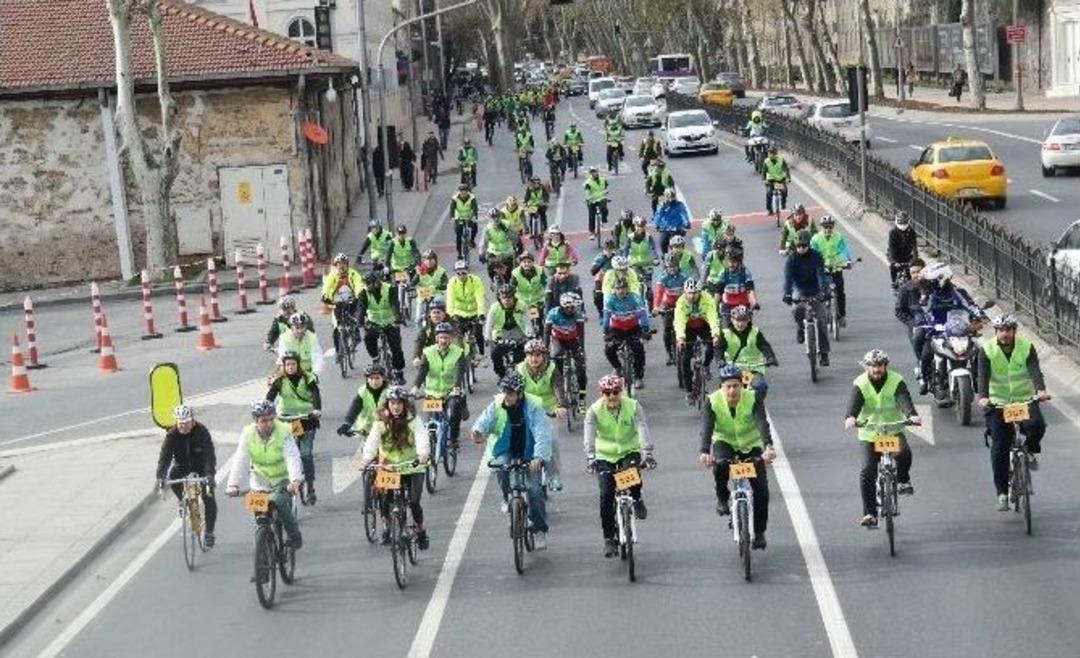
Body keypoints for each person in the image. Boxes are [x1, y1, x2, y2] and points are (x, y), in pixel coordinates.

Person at [976, 315, 1051, 511]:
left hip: (1023, 400)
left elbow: (1035, 370)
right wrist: (983, 396)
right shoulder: (987, 349)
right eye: (1001, 330)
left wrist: (1040, 390)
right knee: (999, 448)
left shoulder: (1026, 347)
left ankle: (1031, 450)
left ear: (1014, 331)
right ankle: (1001, 493)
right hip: (998, 404)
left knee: (1037, 426)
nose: (1005, 333)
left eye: (1008, 330)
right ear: (996, 332)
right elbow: (982, 376)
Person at [472, 373, 552, 550]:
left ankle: (539, 530)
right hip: (506, 448)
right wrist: (477, 432)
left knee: (535, 491)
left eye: (511, 393)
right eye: (505, 392)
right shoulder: (498, 403)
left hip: (530, 451)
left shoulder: (534, 406)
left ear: (520, 393)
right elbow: (484, 420)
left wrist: (538, 457)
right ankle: (507, 496)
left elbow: (542, 432)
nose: (507, 396)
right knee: (501, 467)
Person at [843, 350, 921, 527]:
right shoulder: (860, 383)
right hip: (870, 435)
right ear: (867, 367)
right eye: (873, 366)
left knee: (904, 454)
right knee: (867, 472)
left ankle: (902, 480)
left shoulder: (896, 380)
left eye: (880, 366)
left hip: (892, 430)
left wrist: (912, 415)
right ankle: (870, 513)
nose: (876, 369)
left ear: (886, 366)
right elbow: (854, 403)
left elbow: (904, 399)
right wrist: (850, 417)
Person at [699, 364, 774, 549]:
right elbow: (707, 427)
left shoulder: (753, 398)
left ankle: (759, 532)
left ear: (742, 385)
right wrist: (704, 451)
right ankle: (723, 498)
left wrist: (768, 447)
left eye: (735, 385)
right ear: (721, 387)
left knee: (762, 491)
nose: (732, 390)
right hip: (725, 442)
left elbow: (761, 422)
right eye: (728, 386)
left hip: (750, 444)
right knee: (721, 466)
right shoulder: (713, 400)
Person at [585, 373, 655, 558]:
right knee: (606, 495)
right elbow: (589, 434)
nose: (612, 396)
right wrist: (590, 457)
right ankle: (609, 539)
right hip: (604, 455)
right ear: (602, 394)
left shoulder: (633, 406)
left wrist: (647, 453)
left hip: (628, 450)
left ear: (621, 391)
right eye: (607, 393)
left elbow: (642, 427)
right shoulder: (594, 410)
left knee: (632, 475)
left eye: (615, 392)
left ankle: (637, 498)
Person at [358, 386, 431, 549]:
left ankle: (420, 530)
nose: (395, 406)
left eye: (399, 403)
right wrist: (366, 460)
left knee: (414, 502)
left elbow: (421, 437)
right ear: (387, 404)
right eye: (392, 403)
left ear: (405, 404)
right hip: (390, 467)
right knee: (385, 499)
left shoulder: (413, 420)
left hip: (412, 466)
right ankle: (387, 527)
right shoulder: (380, 422)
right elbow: (372, 441)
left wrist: (423, 454)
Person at [226, 400, 305, 549]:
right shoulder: (247, 434)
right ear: (256, 421)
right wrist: (233, 484)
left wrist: (295, 480)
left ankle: (295, 535)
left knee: (279, 502)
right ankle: (263, 550)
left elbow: (292, 456)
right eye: (263, 420)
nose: (268, 424)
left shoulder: (284, 431)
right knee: (260, 516)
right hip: (259, 481)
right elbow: (241, 459)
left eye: (271, 419)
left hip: (282, 480)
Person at [915, 262, 983, 394]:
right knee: (927, 353)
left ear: (942, 279)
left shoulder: (959, 293)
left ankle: (977, 380)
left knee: (978, 352)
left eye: (932, 281)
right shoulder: (929, 296)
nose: (929, 284)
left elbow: (971, 306)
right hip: (937, 331)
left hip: (959, 331)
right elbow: (923, 310)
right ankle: (924, 378)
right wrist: (921, 319)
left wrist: (979, 316)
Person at [156, 405, 218, 547]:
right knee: (172, 475)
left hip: (201, 466)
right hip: (182, 465)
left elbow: (209, 455)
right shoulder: (172, 434)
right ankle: (181, 501)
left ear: (192, 421)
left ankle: (209, 532)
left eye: (186, 422)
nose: (183, 426)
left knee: (208, 497)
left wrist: (209, 474)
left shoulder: (202, 431)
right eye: (180, 423)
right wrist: (160, 476)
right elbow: (164, 457)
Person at [266, 350, 322, 503]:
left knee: (305, 454)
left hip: (306, 420)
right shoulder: (280, 380)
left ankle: (310, 486)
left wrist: (316, 410)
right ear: (283, 366)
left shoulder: (307, 377)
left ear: (298, 365)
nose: (290, 367)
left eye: (293, 364)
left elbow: (315, 394)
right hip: (287, 421)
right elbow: (270, 397)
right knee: (288, 454)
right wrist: (267, 413)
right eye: (287, 364)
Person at [517, 339, 568, 490]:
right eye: (530, 355)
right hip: (526, 410)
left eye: (538, 355)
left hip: (548, 411)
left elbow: (559, 388)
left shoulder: (552, 369)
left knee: (551, 442)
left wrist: (561, 406)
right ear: (526, 356)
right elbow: (513, 391)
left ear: (544, 356)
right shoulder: (519, 370)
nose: (534, 358)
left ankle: (553, 477)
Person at [413, 321, 468, 446]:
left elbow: (460, 373)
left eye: (447, 338)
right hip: (432, 392)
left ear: (451, 338)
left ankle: (453, 440)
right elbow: (422, 371)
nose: (443, 340)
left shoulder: (458, 352)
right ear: (436, 338)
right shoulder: (428, 352)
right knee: (430, 426)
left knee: (454, 412)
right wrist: (415, 386)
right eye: (441, 337)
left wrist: (457, 388)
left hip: (450, 391)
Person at [782, 230, 830, 366]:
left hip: (815, 289)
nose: (801, 248)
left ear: (808, 245)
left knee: (821, 320)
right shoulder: (791, 259)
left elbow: (821, 275)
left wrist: (824, 291)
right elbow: (788, 279)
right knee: (796, 309)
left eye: (803, 246)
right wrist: (787, 294)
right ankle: (799, 328)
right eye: (798, 246)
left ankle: (824, 353)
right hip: (800, 289)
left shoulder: (816, 256)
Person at [718, 305, 778, 401]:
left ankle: (757, 407)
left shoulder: (755, 332)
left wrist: (770, 357)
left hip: (753, 369)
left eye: (744, 320)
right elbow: (719, 349)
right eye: (737, 320)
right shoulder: (726, 333)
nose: (740, 324)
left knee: (760, 386)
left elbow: (764, 346)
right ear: (732, 320)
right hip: (733, 370)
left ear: (748, 320)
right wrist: (720, 360)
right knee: (726, 390)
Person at [675, 278, 720, 401]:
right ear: (685, 292)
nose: (691, 296)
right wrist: (680, 338)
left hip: (703, 325)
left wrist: (715, 335)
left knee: (712, 346)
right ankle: (689, 391)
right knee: (685, 358)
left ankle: (705, 366)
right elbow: (679, 321)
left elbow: (712, 317)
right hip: (688, 327)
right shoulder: (681, 302)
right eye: (689, 293)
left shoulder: (707, 299)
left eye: (694, 293)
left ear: (699, 292)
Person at [603, 277, 650, 388]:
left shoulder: (635, 298)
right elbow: (606, 317)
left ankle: (638, 377)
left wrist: (645, 329)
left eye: (623, 288)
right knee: (609, 349)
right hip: (616, 329)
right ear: (614, 289)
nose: (621, 291)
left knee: (639, 350)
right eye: (618, 288)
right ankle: (618, 368)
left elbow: (643, 314)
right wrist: (606, 332)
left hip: (633, 328)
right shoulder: (610, 299)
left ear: (627, 288)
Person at [545, 292, 588, 413]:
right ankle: (560, 397)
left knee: (581, 370)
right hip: (558, 340)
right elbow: (546, 333)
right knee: (556, 364)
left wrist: (581, 350)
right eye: (568, 307)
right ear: (562, 306)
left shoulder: (578, 314)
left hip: (573, 340)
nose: (570, 310)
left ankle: (582, 399)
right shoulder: (553, 314)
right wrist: (545, 349)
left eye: (573, 307)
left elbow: (581, 334)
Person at [358, 269, 405, 376]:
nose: (369, 286)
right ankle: (375, 357)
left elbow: (394, 304)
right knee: (368, 338)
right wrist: (359, 321)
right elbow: (361, 308)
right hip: (373, 322)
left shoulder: (389, 289)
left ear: (377, 282)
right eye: (367, 284)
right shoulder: (364, 293)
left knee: (396, 348)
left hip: (390, 321)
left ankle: (399, 372)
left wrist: (397, 317)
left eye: (371, 283)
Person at [810, 215, 853, 327]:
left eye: (830, 227)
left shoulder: (838, 237)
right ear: (822, 227)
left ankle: (842, 316)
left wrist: (847, 261)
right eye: (825, 227)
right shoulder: (816, 238)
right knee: (820, 293)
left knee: (840, 293)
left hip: (836, 267)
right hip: (822, 269)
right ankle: (820, 314)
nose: (828, 229)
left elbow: (844, 250)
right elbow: (812, 254)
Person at [486, 284, 529, 379]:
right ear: (500, 298)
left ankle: (520, 375)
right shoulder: (494, 307)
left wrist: (530, 335)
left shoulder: (522, 305)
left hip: (518, 332)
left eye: (509, 297)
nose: (506, 300)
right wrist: (488, 338)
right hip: (501, 334)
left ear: (514, 297)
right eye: (504, 298)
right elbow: (489, 324)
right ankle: (501, 375)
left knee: (522, 357)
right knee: (495, 354)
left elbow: (527, 322)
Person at [338, 363, 390, 440]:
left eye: (377, 378)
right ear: (367, 379)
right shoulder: (362, 392)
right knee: (367, 451)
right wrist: (347, 424)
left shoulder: (390, 392)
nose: (374, 382)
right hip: (366, 431)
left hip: (386, 430)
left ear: (383, 378)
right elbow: (354, 409)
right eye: (371, 378)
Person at [653, 252, 688, 365]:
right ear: (666, 266)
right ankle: (669, 354)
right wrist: (656, 307)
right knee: (667, 329)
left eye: (674, 266)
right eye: (669, 266)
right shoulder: (663, 277)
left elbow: (689, 291)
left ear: (678, 265)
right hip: (668, 305)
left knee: (687, 327)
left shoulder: (684, 275)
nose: (672, 269)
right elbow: (659, 293)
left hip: (681, 304)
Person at [446, 259, 487, 356]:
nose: (461, 275)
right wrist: (450, 314)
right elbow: (450, 299)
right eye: (458, 273)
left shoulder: (475, 280)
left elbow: (480, 297)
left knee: (478, 334)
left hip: (474, 312)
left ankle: (482, 354)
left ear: (468, 272)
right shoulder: (452, 282)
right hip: (459, 313)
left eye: (463, 272)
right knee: (458, 337)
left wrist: (481, 313)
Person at [710, 245, 759, 320]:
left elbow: (750, 291)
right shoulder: (723, 273)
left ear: (739, 262)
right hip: (728, 305)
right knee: (725, 328)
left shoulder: (745, 273)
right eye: (729, 261)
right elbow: (718, 292)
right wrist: (713, 306)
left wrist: (755, 303)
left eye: (733, 262)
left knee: (747, 327)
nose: (730, 265)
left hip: (743, 304)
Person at [894, 258, 927, 360]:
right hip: (916, 326)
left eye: (918, 272)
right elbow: (899, 311)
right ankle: (922, 367)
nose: (916, 275)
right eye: (913, 273)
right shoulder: (905, 289)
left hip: (935, 325)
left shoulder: (933, 286)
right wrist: (912, 323)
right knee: (918, 340)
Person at [510, 252, 548, 321]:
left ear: (533, 263)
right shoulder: (515, 273)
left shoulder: (540, 270)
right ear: (520, 263)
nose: (526, 264)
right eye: (524, 262)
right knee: (527, 320)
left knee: (539, 320)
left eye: (529, 262)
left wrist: (547, 294)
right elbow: (512, 287)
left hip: (538, 299)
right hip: (523, 301)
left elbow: (545, 283)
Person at [652, 188, 690, 255]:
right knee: (662, 243)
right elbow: (658, 216)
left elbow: (684, 214)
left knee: (679, 245)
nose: (670, 198)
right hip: (665, 229)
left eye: (671, 196)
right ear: (665, 196)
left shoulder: (679, 204)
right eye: (668, 196)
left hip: (677, 229)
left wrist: (686, 223)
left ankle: (680, 258)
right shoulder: (662, 205)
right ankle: (665, 258)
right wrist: (656, 225)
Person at [887, 211, 919, 288]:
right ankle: (893, 281)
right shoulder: (893, 232)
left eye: (904, 221)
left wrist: (915, 258)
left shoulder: (912, 232)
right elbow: (892, 248)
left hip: (907, 255)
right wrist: (894, 261)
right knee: (893, 267)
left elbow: (914, 246)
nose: (902, 223)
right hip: (895, 255)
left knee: (911, 271)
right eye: (900, 221)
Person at [450, 184, 479, 260]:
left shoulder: (472, 197)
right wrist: (452, 218)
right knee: (458, 236)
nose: (463, 193)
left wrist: (474, 216)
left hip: (469, 216)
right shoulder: (455, 198)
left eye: (465, 192)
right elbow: (452, 209)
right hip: (459, 217)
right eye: (461, 192)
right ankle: (459, 253)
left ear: (467, 192)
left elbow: (475, 208)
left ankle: (472, 240)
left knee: (474, 227)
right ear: (459, 192)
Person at [590, 239, 619, 316]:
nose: (609, 251)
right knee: (597, 296)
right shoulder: (599, 257)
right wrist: (603, 260)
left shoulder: (617, 257)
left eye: (611, 249)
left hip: (615, 280)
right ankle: (601, 312)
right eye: (607, 249)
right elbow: (593, 272)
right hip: (601, 279)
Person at [762, 147, 789, 216]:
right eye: (769, 154)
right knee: (769, 193)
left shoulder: (781, 160)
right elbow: (763, 172)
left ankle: (783, 203)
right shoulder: (766, 161)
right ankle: (769, 210)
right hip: (771, 181)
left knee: (784, 191)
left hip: (780, 180)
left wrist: (788, 178)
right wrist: (764, 180)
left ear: (775, 154)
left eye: (772, 154)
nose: (770, 155)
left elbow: (786, 169)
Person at [583, 166, 610, 235]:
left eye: (595, 171)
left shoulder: (603, 180)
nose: (594, 173)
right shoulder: (588, 182)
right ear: (590, 173)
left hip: (601, 198)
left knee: (605, 209)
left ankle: (603, 220)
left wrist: (607, 192)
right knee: (591, 216)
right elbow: (587, 191)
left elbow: (607, 187)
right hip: (592, 200)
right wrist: (587, 198)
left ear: (597, 172)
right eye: (592, 172)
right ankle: (592, 232)